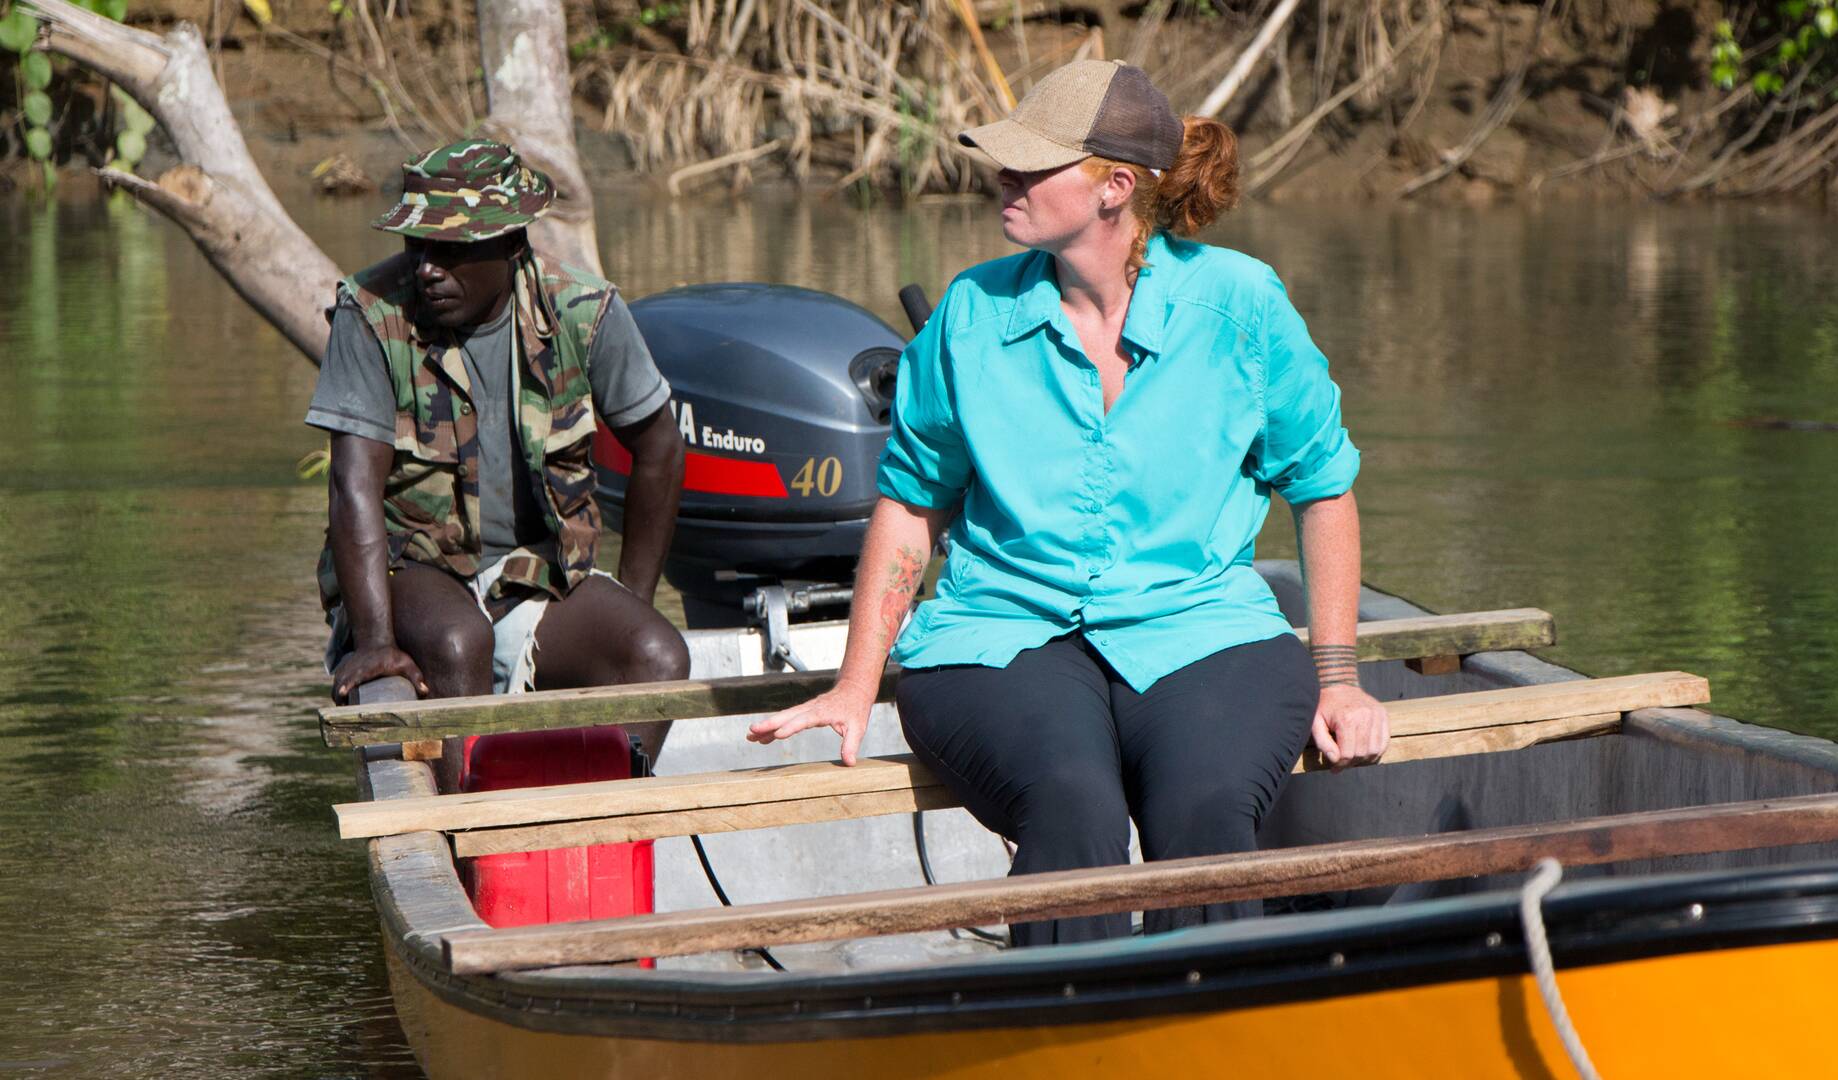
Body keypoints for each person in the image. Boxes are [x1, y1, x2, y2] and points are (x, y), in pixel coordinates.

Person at [748, 61, 1389, 946]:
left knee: (1204, 816)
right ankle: (1065, 1026)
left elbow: (1323, 489)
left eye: (1029, 166)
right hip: (1001, 634)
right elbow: (909, 505)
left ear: (1114, 188)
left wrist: (1340, 678)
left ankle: (1215, 1027)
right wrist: (856, 686)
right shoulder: (969, 316)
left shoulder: (1241, 307)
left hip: (1200, 624)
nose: (1001, 179)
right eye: (1004, 162)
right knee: (1071, 810)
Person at [306, 139, 690, 709]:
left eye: (450, 249)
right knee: (461, 643)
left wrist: (635, 595)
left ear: (511, 244)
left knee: (657, 656)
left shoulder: (585, 312)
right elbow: (352, 485)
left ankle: (598, 795)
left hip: (535, 573)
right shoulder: (372, 314)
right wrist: (377, 641)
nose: (428, 268)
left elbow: (660, 447)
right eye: (418, 245)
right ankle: (462, 795)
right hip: (408, 568)